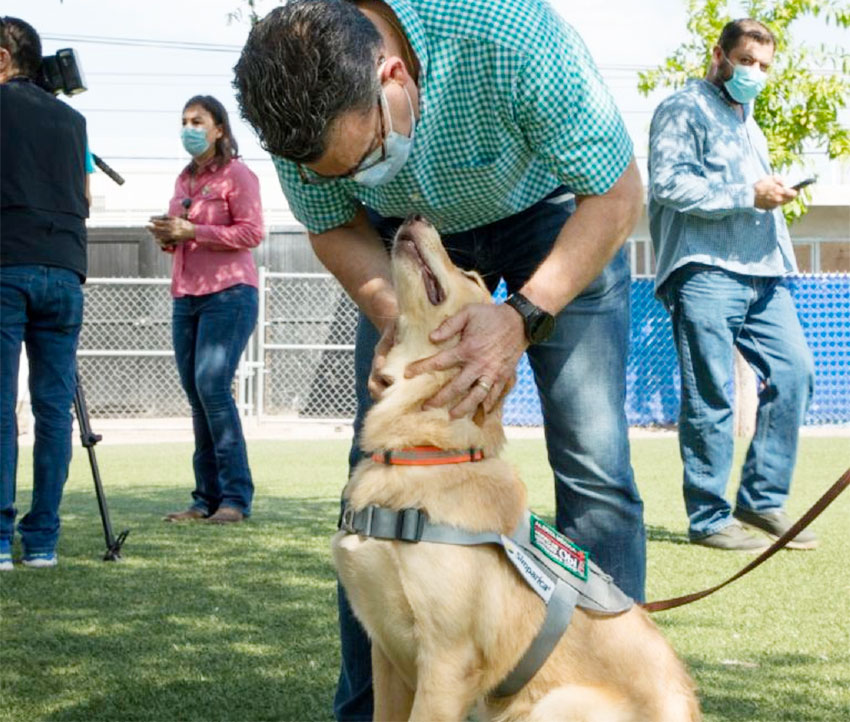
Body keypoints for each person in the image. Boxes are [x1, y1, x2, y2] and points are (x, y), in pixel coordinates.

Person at [234, 0, 644, 717]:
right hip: (407, 245)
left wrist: (521, 315)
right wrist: (400, 320)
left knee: (594, 461)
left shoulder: (509, 37)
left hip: (553, 214)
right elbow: (333, 227)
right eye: (338, 172)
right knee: (378, 481)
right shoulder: (294, 102)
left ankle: (612, 693)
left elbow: (615, 194)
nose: (355, 176)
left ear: (393, 76)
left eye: (363, 159)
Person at [648, 18, 817, 552]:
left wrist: (775, 193)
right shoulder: (683, 108)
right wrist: (749, 192)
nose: (755, 74)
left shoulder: (750, 121)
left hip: (765, 272)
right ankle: (708, 518)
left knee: (796, 372)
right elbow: (669, 183)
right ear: (719, 56)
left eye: (764, 66)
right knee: (712, 395)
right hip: (705, 270)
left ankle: (761, 501)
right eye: (746, 62)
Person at [0, 17, 91, 570]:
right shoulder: (74, 120)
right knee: (54, 412)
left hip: (7, 263)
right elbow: (81, 192)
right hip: (65, 269)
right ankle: (42, 542)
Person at [148, 95, 264, 525]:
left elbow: (252, 232)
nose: (189, 128)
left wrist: (194, 228)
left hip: (229, 294)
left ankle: (236, 498)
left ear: (219, 129)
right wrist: (171, 235)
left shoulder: (239, 174)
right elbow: (186, 234)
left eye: (198, 121)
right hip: (187, 296)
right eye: (184, 121)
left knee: (212, 388)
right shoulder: (183, 180)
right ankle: (205, 500)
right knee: (199, 398)